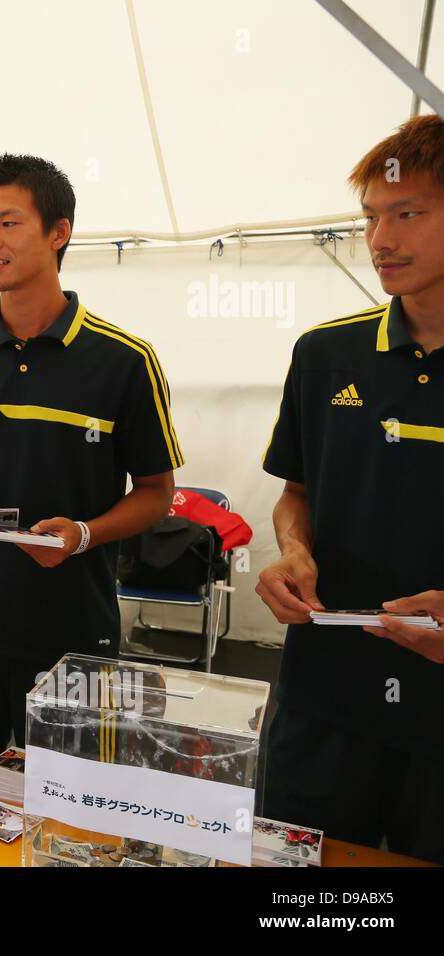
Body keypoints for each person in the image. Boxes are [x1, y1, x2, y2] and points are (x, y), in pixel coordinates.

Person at [0, 154, 181, 758]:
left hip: (70, 632)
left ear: (60, 232)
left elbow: (157, 492)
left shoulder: (123, 361)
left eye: (8, 223)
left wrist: (84, 534)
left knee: (63, 809)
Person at [256, 114, 444, 865]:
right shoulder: (327, 355)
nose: (380, 239)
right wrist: (290, 552)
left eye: (409, 214)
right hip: (325, 701)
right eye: (371, 216)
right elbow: (296, 492)